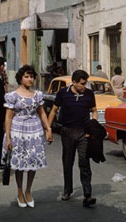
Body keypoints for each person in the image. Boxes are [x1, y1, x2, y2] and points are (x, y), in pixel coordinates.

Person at [3, 65, 53, 208]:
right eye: (27, 76)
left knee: (33, 161)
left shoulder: (37, 95)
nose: (30, 79)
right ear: (20, 78)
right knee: (20, 163)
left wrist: (48, 129)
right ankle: (20, 192)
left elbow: (42, 113)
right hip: (18, 130)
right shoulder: (12, 96)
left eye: (31, 76)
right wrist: (8, 137)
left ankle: (28, 191)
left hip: (35, 130)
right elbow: (8, 117)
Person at [47, 70, 98, 208]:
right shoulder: (63, 93)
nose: (84, 86)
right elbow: (53, 110)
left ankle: (87, 194)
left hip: (83, 133)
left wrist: (92, 127)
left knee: (84, 163)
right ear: (74, 82)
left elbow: (94, 111)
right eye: (82, 83)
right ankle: (67, 190)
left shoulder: (89, 94)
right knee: (68, 162)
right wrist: (48, 129)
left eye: (85, 83)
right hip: (68, 132)